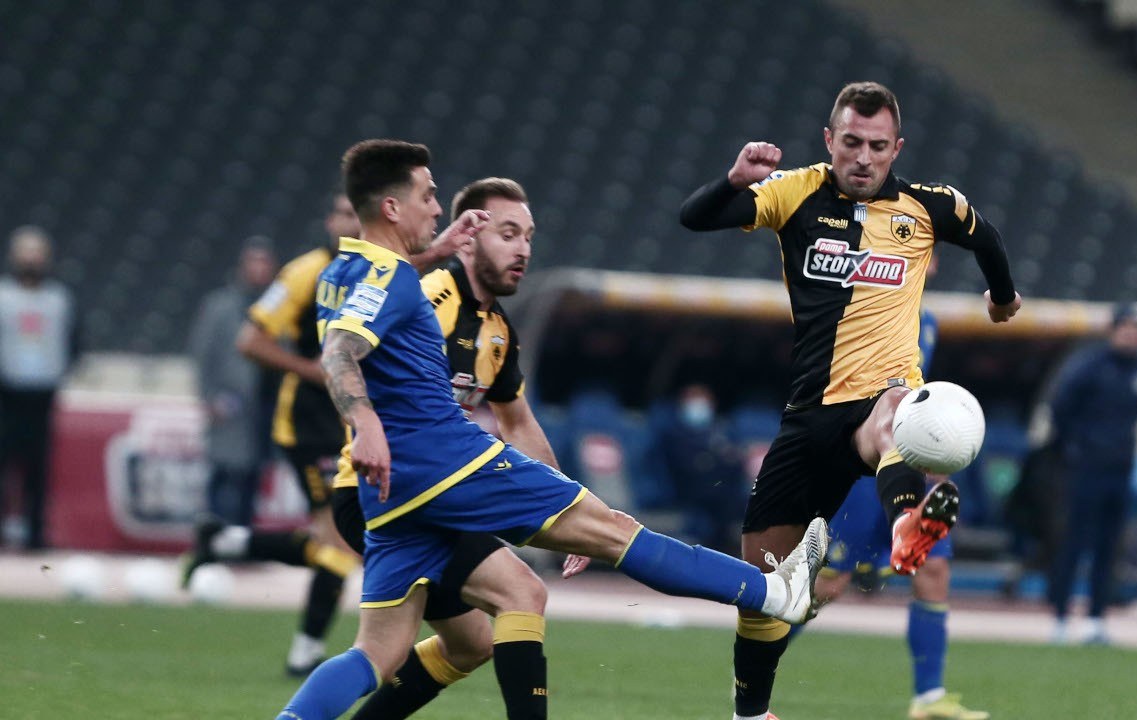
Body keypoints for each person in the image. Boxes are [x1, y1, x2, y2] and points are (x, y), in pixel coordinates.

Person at [274, 139, 826, 720]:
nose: (436, 206)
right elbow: (340, 351)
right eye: (428, 195)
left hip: (391, 494)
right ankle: (773, 592)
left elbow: (386, 312)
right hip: (440, 459)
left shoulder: (344, 271)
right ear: (392, 207)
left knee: (380, 650)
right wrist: (364, 424)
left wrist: (431, 252)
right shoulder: (416, 284)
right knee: (612, 532)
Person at [678, 81, 1021, 720]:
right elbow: (695, 218)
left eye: (878, 146)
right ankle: (751, 713)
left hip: (881, 400)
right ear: (829, 140)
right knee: (764, 593)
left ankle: (907, 526)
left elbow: (988, 238)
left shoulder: (928, 206)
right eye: (852, 143)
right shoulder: (795, 192)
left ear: (897, 149)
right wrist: (733, 180)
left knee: (896, 416)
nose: (864, 158)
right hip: (808, 417)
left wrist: (1002, 299)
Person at [184, 193, 472, 675]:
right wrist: (313, 370)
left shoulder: (381, 269)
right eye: (340, 214)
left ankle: (226, 542)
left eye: (353, 213)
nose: (348, 222)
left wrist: (437, 252)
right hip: (310, 423)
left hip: (353, 422)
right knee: (340, 544)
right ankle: (305, 652)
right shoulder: (305, 271)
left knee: (331, 542)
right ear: (329, 221)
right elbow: (250, 340)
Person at [336, 177, 566, 719]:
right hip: (385, 492)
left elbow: (517, 420)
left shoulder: (497, 331)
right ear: (469, 237)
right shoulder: (429, 298)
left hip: (427, 496)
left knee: (469, 645)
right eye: (508, 234)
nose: (523, 249)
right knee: (521, 594)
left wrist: (567, 505)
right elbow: (350, 359)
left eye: (528, 237)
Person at [803, 253, 989, 720]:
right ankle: (755, 664)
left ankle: (929, 698)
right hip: (860, 467)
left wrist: (934, 458)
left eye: (929, 253)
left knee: (934, 571)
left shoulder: (926, 321)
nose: (925, 262)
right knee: (829, 583)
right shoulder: (860, 310)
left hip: (908, 464)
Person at [1047, 302, 1137, 645]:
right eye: (1126, 329)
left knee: (1109, 547)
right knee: (1074, 542)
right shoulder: (1090, 367)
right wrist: (1075, 448)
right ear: (1113, 331)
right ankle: (1061, 616)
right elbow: (1060, 407)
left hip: (1120, 471)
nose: (1131, 336)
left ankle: (1096, 619)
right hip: (1086, 469)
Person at [187, 236, 277, 526]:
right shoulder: (220, 306)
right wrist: (209, 396)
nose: (259, 269)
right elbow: (203, 354)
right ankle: (214, 533)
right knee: (223, 472)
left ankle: (241, 535)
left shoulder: (276, 306)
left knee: (252, 475)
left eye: (264, 262)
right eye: (254, 261)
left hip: (261, 404)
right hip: (229, 402)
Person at [0, 226, 78, 550]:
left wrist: (61, 372)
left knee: (38, 469)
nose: (31, 259)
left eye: (37, 253)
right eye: (26, 252)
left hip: (42, 394)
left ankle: (35, 534)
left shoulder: (59, 299)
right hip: (6, 393)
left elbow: (73, 340)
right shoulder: (3, 296)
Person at [657, 383, 747, 554]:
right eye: (693, 399)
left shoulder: (721, 431)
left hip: (721, 495)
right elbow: (684, 466)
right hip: (685, 493)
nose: (698, 405)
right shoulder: (672, 433)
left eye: (702, 400)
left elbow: (734, 463)